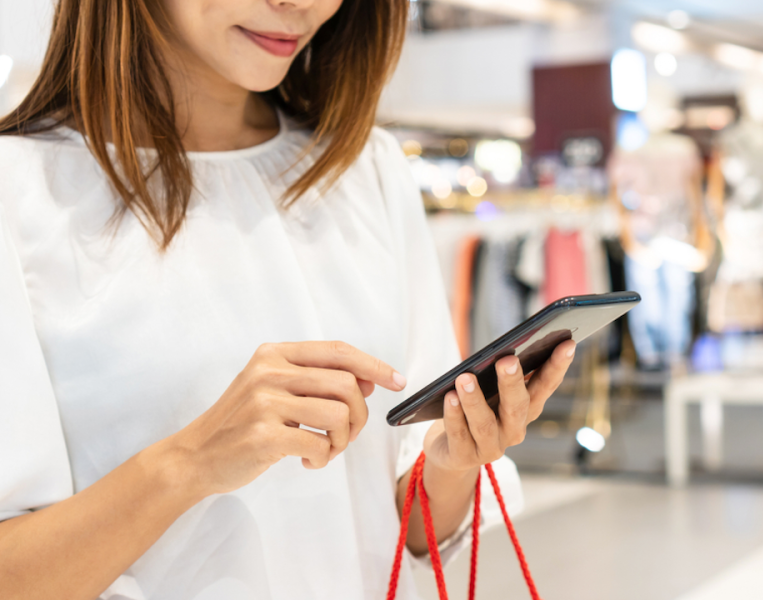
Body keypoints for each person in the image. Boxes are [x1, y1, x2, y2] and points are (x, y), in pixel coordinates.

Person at [0, 1, 576, 599]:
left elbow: (407, 522)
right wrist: (188, 463)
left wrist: (453, 463)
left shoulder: (365, 170)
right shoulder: (19, 193)